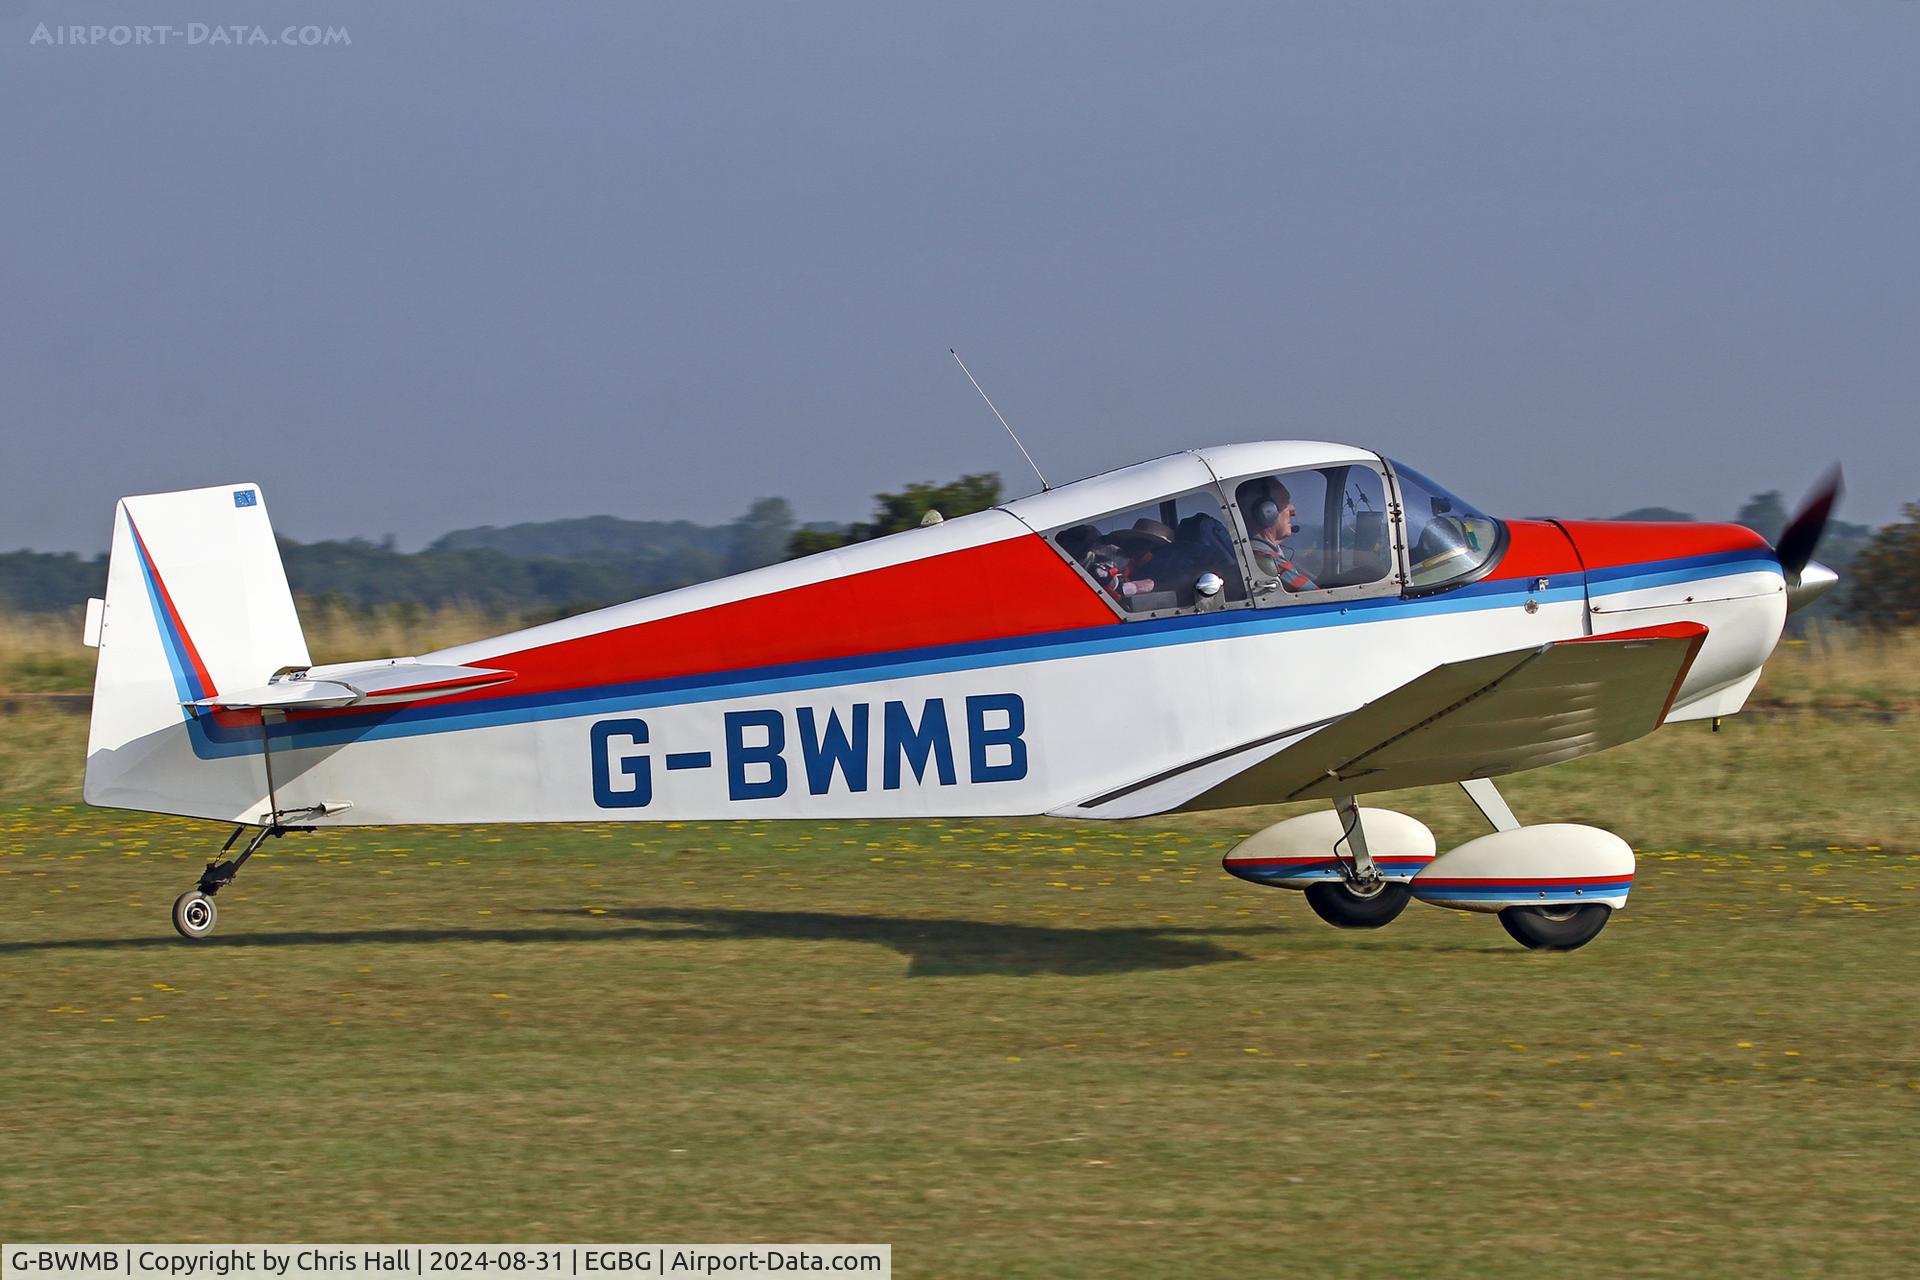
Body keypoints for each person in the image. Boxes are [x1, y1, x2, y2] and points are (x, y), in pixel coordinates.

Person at [1237, 477, 1317, 592]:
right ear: (1266, 511)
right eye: (1285, 502)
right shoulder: (1267, 559)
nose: (1293, 510)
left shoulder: (1256, 553)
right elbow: (1319, 596)